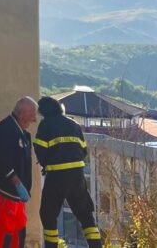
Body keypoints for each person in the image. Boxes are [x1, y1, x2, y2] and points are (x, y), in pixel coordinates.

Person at [34, 96, 101, 248]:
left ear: (44, 111)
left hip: (56, 176)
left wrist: (47, 164)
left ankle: (52, 246)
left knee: (48, 214)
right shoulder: (74, 124)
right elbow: (83, 150)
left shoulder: (45, 125)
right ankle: (96, 245)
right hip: (77, 177)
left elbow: (40, 150)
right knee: (85, 214)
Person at [0, 96, 37, 248]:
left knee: (20, 226)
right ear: (21, 114)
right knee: (6, 228)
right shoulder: (6, 129)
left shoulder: (24, 133)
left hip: (17, 193)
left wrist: (25, 188)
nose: (34, 119)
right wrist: (18, 184)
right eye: (32, 114)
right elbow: (4, 161)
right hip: (4, 189)